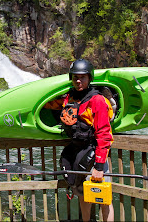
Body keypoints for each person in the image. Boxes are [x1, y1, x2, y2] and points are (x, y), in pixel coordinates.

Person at [45, 59, 114, 221]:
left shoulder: (97, 101)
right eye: (75, 77)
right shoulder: (69, 97)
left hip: (95, 154)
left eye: (82, 77)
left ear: (89, 78)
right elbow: (51, 104)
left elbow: (104, 135)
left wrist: (98, 166)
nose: (78, 80)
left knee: (103, 198)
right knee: (82, 193)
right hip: (78, 153)